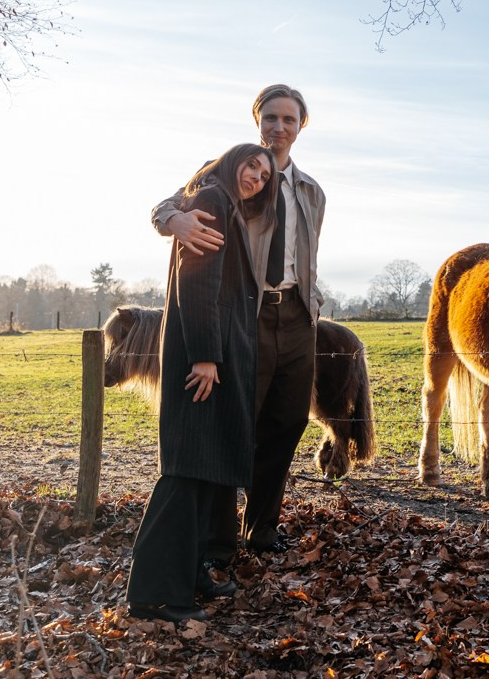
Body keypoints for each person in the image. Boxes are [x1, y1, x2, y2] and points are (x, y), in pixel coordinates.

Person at [151, 84, 326, 561]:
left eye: (288, 119)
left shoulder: (312, 191)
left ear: (300, 126)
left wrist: (310, 301)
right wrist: (175, 221)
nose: (278, 127)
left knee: (286, 423)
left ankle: (262, 529)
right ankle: (217, 542)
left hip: (296, 318)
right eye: (270, 118)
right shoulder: (231, 169)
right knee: (233, 425)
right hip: (244, 318)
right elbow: (166, 205)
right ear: (258, 122)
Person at [127, 143, 277, 623]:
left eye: (265, 174)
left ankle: (188, 574)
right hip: (201, 358)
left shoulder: (221, 204)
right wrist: (207, 358)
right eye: (252, 165)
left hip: (213, 354)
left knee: (203, 468)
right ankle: (155, 594)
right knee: (186, 470)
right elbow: (197, 284)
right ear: (234, 161)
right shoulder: (211, 200)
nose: (257, 176)